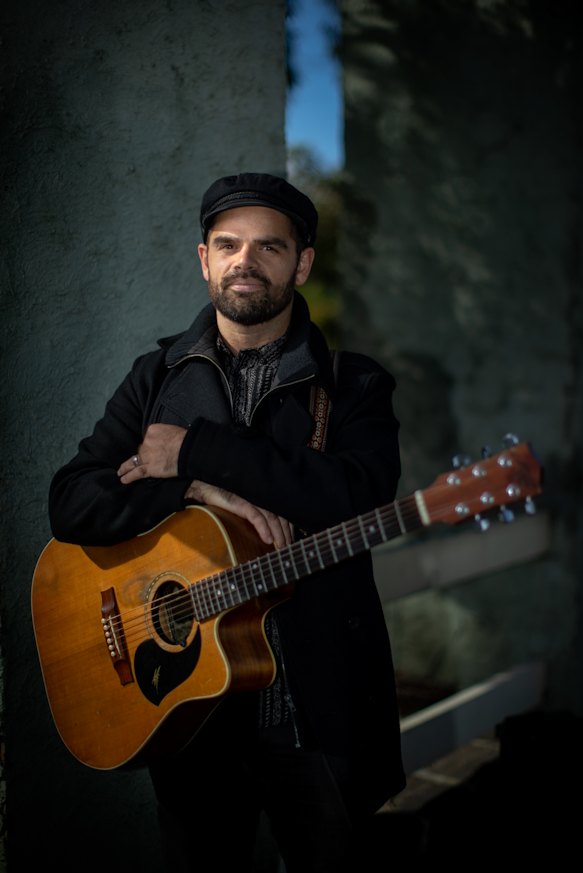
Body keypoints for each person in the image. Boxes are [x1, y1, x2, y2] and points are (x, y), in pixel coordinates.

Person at [48, 172, 406, 872]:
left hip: (315, 715)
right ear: (204, 260)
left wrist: (192, 449)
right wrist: (192, 489)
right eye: (228, 244)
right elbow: (72, 500)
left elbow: (355, 497)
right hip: (190, 715)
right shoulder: (156, 376)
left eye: (269, 246)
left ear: (301, 263)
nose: (246, 260)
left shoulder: (354, 384)